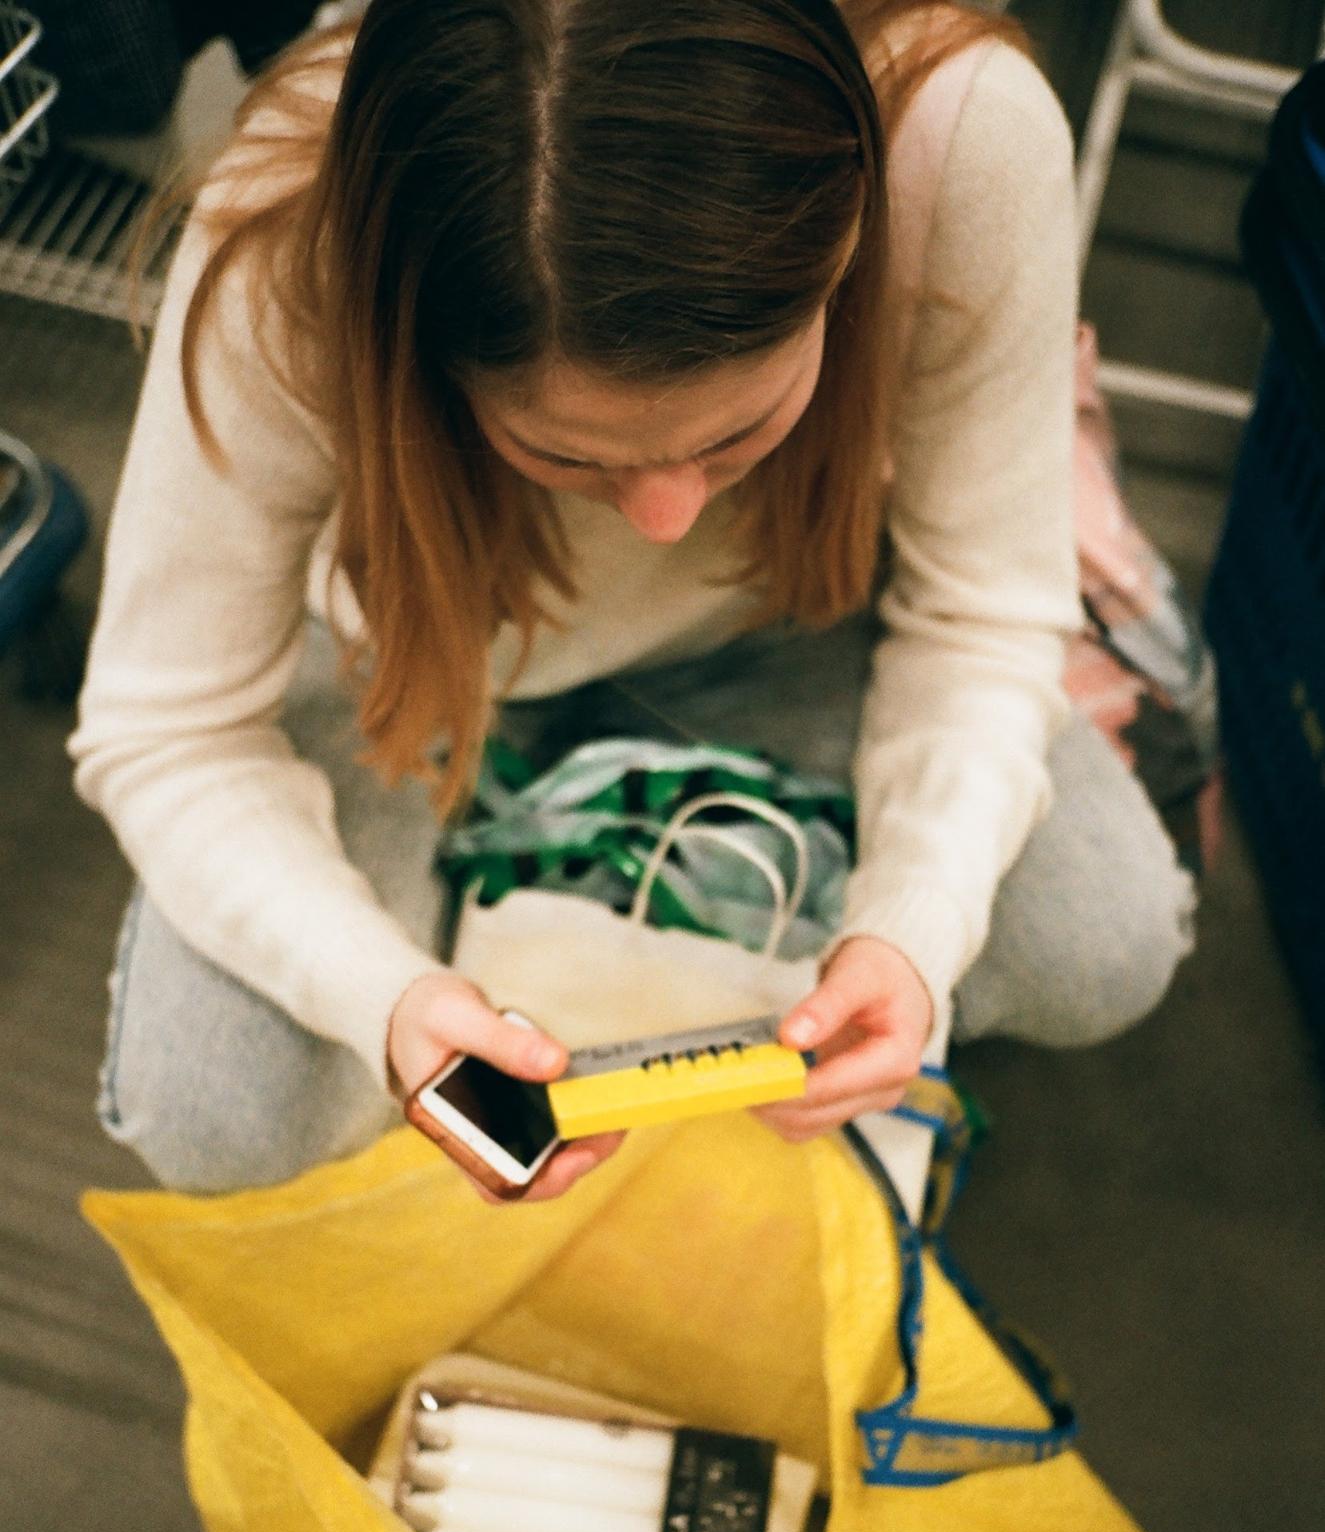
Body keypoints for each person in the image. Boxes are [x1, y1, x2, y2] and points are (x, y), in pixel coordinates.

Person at [70, 0, 1196, 1200]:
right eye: (567, 456)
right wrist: (381, 996)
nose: (662, 517)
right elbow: (166, 729)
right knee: (215, 1113)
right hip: (406, 665)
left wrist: (912, 925)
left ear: (848, 238)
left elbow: (982, 609)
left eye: (738, 432)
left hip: (781, 628)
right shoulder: (289, 223)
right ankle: (588, 889)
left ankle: (553, 889)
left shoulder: (956, 131)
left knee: (1098, 939)